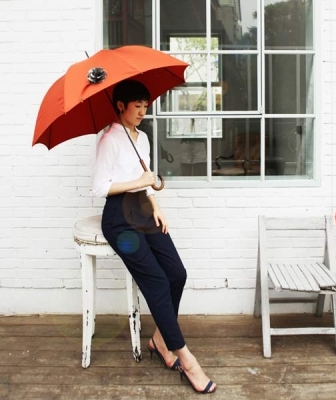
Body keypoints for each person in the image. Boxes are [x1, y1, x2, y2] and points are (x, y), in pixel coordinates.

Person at [92, 79, 216, 394]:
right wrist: (138, 182)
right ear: (120, 106)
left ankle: (160, 339)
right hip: (119, 220)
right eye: (137, 106)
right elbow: (100, 187)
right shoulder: (109, 139)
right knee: (157, 282)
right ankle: (186, 359)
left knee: (176, 273)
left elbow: (146, 182)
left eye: (146, 106)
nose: (143, 112)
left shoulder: (143, 138)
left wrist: (156, 205)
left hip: (144, 212)